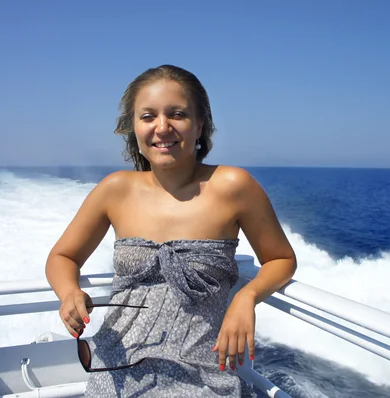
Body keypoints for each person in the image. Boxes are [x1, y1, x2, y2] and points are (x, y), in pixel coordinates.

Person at [45, 64, 297, 397]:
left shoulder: (234, 186)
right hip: (116, 370)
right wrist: (69, 293)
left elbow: (280, 258)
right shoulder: (115, 189)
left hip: (204, 373)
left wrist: (246, 298)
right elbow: (62, 256)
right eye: (147, 116)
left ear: (200, 124)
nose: (162, 127)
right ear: (132, 127)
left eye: (177, 114)